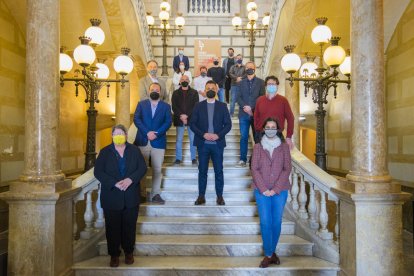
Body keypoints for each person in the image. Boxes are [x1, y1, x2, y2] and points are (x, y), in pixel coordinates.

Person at [94, 124, 147, 267]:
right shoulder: (105, 152)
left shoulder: (134, 150)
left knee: (129, 226)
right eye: (116, 133)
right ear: (112, 136)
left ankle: (129, 252)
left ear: (125, 135)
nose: (119, 136)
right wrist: (114, 183)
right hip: (111, 196)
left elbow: (142, 168)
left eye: (121, 133)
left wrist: (131, 179)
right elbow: (98, 172)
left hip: (131, 196)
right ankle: (114, 255)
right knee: (112, 228)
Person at [251, 118, 292, 268]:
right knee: (265, 222)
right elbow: (254, 169)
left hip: (280, 191)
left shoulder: (284, 147)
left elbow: (287, 168)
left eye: (273, 127)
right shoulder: (257, 147)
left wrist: (275, 189)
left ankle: (270, 253)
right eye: (267, 127)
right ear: (263, 129)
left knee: (276, 222)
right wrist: (264, 189)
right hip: (261, 190)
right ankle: (269, 254)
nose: (270, 129)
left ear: (278, 129)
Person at [190, 80, 232, 206]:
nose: (210, 90)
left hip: (217, 145)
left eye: (212, 88)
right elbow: (192, 124)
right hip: (202, 144)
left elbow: (228, 125)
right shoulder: (198, 105)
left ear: (217, 89)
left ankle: (220, 196)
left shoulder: (222, 106)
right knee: (202, 171)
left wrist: (218, 135)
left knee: (219, 171)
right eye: (208, 88)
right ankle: (201, 196)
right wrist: (203, 134)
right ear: (204, 89)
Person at [134, 82, 172, 204]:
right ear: (149, 91)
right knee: (141, 169)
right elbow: (136, 119)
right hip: (142, 140)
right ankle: (141, 194)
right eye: (152, 89)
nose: (154, 91)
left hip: (158, 141)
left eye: (157, 89)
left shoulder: (166, 106)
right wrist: (147, 132)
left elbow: (168, 122)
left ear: (160, 92)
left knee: (157, 169)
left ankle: (156, 194)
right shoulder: (141, 104)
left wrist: (156, 133)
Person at [235, 61, 265, 167]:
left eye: (251, 67)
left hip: (256, 114)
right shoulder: (240, 83)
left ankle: (257, 159)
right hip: (243, 114)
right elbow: (238, 97)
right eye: (247, 67)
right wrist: (245, 107)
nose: (249, 69)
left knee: (258, 137)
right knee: (243, 137)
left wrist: (252, 108)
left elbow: (262, 97)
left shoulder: (261, 82)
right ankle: (243, 159)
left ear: (255, 68)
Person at [254, 76, 294, 149]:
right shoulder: (259, 100)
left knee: (277, 159)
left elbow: (290, 119)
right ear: (265, 86)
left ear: (277, 86)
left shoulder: (283, 100)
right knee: (260, 158)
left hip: (277, 135)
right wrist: (257, 130)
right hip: (261, 135)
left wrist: (289, 137)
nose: (271, 86)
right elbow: (256, 117)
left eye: (273, 84)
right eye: (269, 84)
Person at [171, 74, 199, 166]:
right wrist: (182, 116)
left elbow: (195, 106)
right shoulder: (175, 93)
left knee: (192, 139)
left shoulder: (194, 92)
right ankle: (178, 158)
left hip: (191, 119)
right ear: (180, 81)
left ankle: (193, 158)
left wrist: (187, 116)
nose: (184, 80)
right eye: (182, 79)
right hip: (179, 119)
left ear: (189, 81)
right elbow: (174, 106)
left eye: (186, 79)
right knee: (179, 140)